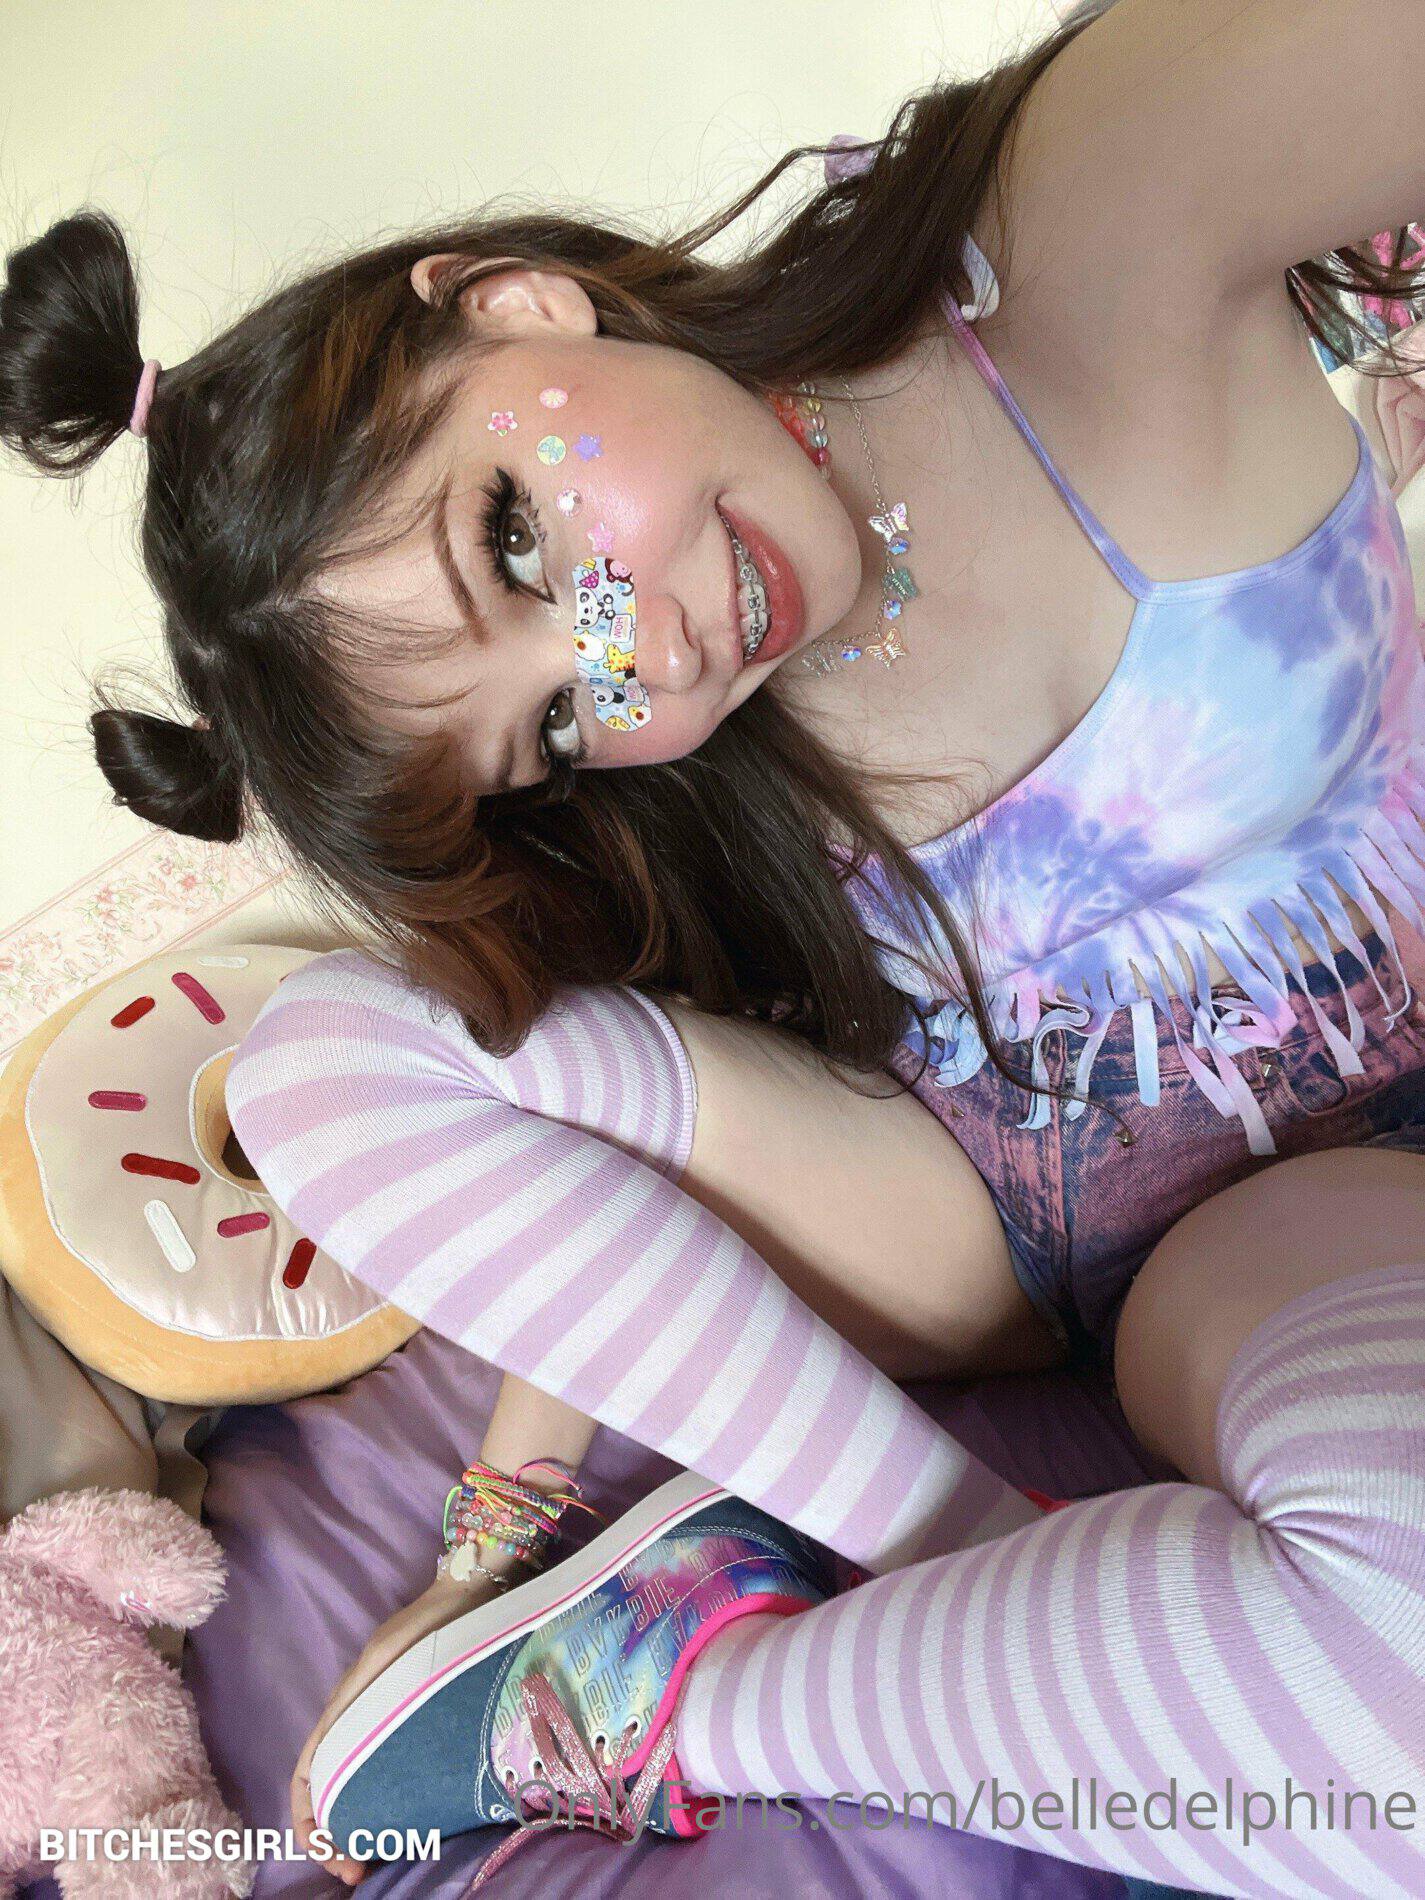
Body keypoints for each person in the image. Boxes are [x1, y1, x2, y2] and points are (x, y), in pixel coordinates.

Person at [5, 1, 1425, 1890]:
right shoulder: (686, 762)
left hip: (1327, 1182)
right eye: (549, 725)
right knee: (312, 1063)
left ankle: (684, 1699)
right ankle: (961, 1568)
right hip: (984, 1210)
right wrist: (502, 1520)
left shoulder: (1064, 244)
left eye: (514, 541)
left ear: (512, 301)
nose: (639, 663)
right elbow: (605, 1145)